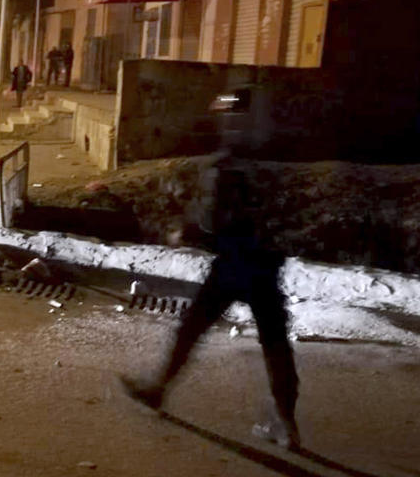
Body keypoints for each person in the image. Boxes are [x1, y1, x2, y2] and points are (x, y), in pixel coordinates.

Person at [120, 161, 300, 449]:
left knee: (192, 328)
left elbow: (212, 223)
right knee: (275, 342)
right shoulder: (274, 167)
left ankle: (158, 388)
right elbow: (283, 220)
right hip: (265, 265)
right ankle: (285, 420)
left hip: (232, 266)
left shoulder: (229, 166)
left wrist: (192, 227)